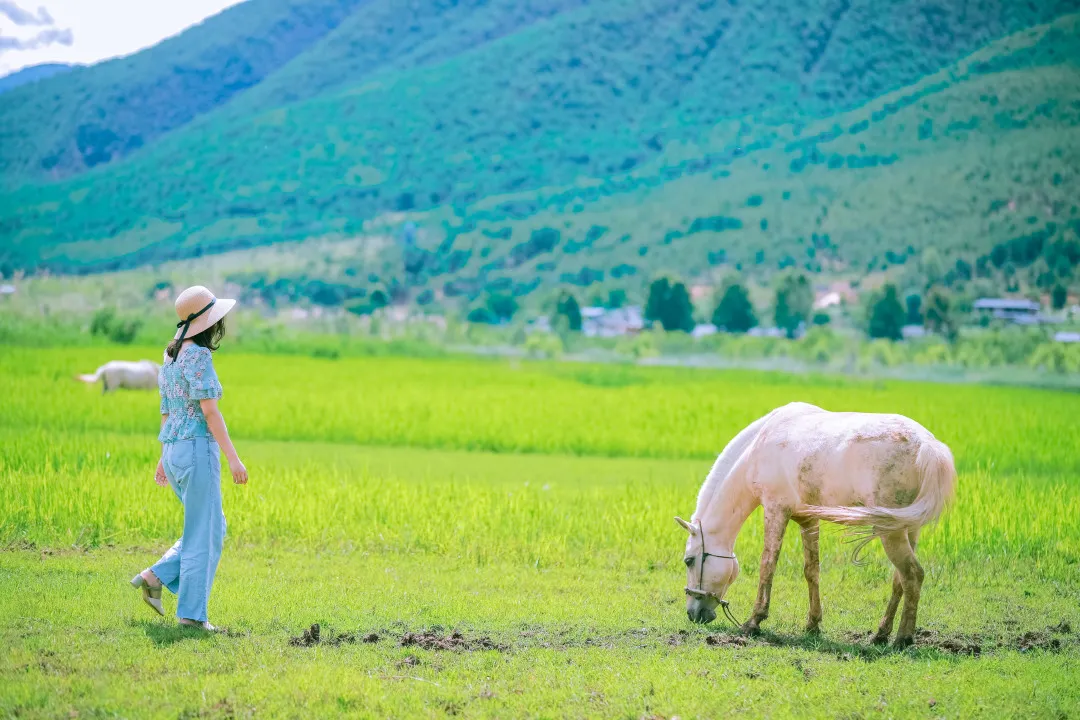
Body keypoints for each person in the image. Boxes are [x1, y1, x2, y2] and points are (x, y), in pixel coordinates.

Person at [130, 285, 248, 631]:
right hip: (196, 449)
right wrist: (234, 459)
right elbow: (210, 413)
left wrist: (163, 456)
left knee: (211, 527)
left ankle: (155, 576)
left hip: (175, 451)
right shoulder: (198, 355)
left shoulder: (171, 355)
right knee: (202, 533)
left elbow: (167, 409)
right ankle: (192, 617)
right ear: (209, 323)